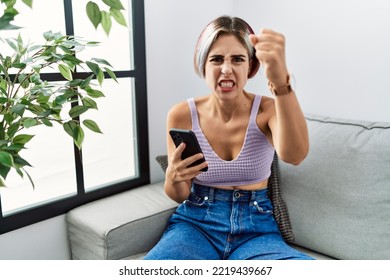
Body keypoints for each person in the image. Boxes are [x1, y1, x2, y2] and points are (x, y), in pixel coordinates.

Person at [145, 15, 312, 260]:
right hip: (196, 225)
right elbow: (179, 194)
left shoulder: (268, 110)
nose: (226, 69)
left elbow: (295, 156)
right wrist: (173, 176)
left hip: (256, 231)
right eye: (216, 59)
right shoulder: (182, 114)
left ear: (251, 67)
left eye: (237, 59)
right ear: (203, 65)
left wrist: (280, 84)